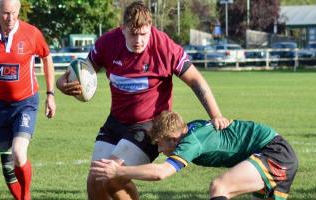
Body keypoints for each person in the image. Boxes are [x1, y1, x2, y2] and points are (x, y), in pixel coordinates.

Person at [56, 1, 230, 199]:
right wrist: (62, 85)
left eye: (143, 34)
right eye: (133, 33)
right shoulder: (107, 43)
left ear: (151, 28)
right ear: (122, 29)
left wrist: (216, 115)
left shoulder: (165, 47)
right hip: (116, 122)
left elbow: (196, 81)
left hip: (149, 126)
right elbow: (80, 72)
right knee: (95, 180)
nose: (138, 40)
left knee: (112, 177)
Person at [91, 111, 299, 200]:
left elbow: (161, 173)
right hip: (271, 151)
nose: (160, 151)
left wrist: (117, 170)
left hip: (274, 153)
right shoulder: (189, 130)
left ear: (173, 138)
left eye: (160, 145)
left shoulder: (192, 141)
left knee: (220, 187)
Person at [0, 0, 56, 199]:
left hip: (25, 104)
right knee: (7, 165)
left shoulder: (31, 33)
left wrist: (51, 94)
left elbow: (47, 57)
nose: (10, 18)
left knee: (18, 152)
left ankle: (26, 196)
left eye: (14, 13)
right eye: (6, 13)